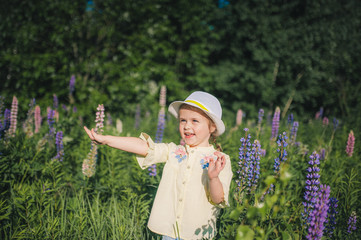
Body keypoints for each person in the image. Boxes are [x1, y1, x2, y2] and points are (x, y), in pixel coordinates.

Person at [84, 91, 233, 240]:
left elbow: (218, 199)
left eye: (195, 121)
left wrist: (213, 178)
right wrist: (106, 139)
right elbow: (144, 147)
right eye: (182, 120)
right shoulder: (174, 151)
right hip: (168, 232)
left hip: (198, 234)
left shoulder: (220, 160)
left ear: (212, 127)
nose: (187, 126)